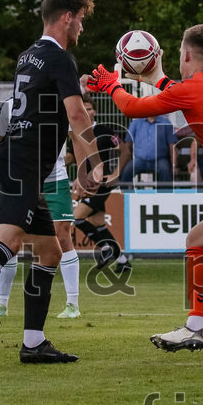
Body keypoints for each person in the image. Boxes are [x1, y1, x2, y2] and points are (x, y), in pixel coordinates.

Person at [85, 24, 203, 370]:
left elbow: (130, 107)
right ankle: (195, 326)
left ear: (186, 54)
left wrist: (112, 84)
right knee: (197, 240)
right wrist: (153, 76)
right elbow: (178, 90)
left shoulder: (196, 89)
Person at [0, 0, 102, 364]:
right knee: (9, 241)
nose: (81, 27)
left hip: (15, 159)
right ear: (67, 17)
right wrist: (93, 165)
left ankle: (33, 342)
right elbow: (78, 117)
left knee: (49, 252)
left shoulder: (29, 55)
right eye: (80, 20)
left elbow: (60, 120)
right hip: (22, 164)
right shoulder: (60, 59)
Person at [0, 96, 82, 319]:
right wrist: (0, 175)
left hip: (54, 180)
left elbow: (77, 139)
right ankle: (1, 303)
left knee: (62, 237)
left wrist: (83, 171)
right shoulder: (9, 105)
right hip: (20, 180)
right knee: (10, 239)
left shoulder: (61, 102)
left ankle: (73, 304)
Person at [70, 93, 129, 273]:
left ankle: (105, 249)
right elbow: (73, 157)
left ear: (94, 111)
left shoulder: (104, 131)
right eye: (84, 109)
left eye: (89, 109)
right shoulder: (78, 133)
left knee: (76, 217)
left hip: (101, 183)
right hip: (87, 183)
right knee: (97, 222)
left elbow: (125, 150)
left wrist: (116, 173)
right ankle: (123, 260)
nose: (87, 112)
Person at [119, 115, 177, 188]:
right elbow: (128, 144)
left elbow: (172, 146)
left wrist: (174, 165)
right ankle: (125, 196)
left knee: (165, 170)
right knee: (126, 172)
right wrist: (124, 163)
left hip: (160, 160)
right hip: (139, 160)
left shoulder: (166, 123)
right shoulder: (136, 123)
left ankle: (165, 196)